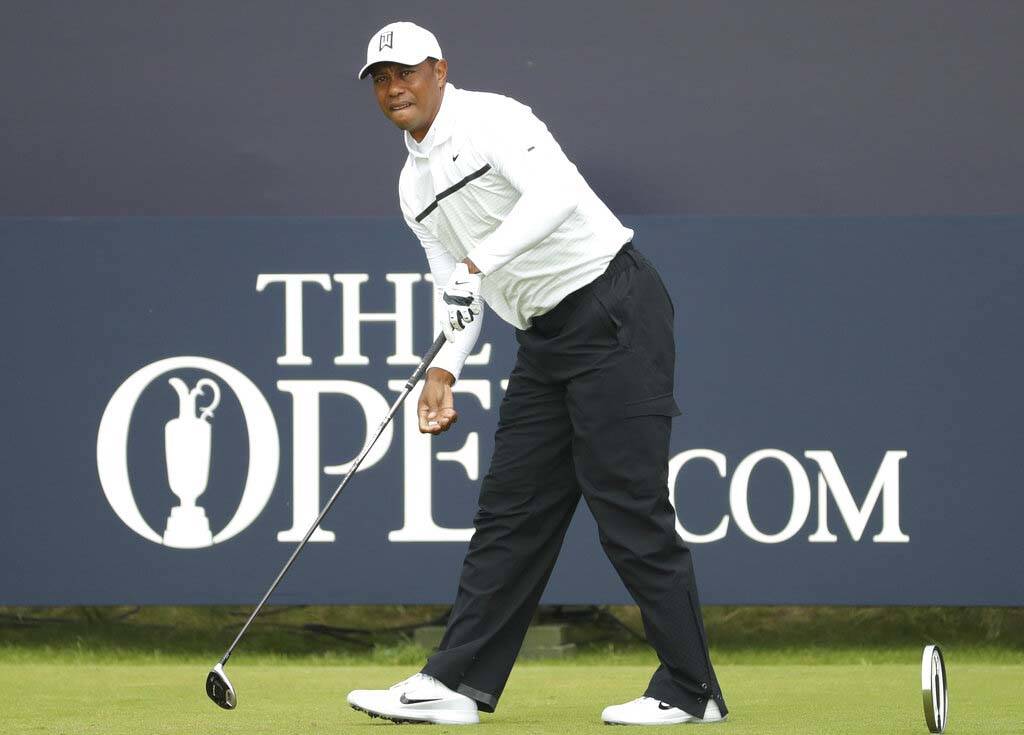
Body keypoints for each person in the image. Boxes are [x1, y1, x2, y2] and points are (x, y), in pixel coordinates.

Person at [347, 21, 728, 727]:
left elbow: (554, 195)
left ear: (438, 69)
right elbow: (448, 279)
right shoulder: (411, 184)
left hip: (614, 306)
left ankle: (691, 689)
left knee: (629, 508)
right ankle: (455, 683)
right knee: (510, 512)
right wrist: (444, 369)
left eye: (404, 71)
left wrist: (477, 264)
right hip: (544, 337)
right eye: (380, 78)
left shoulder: (493, 118)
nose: (393, 87)